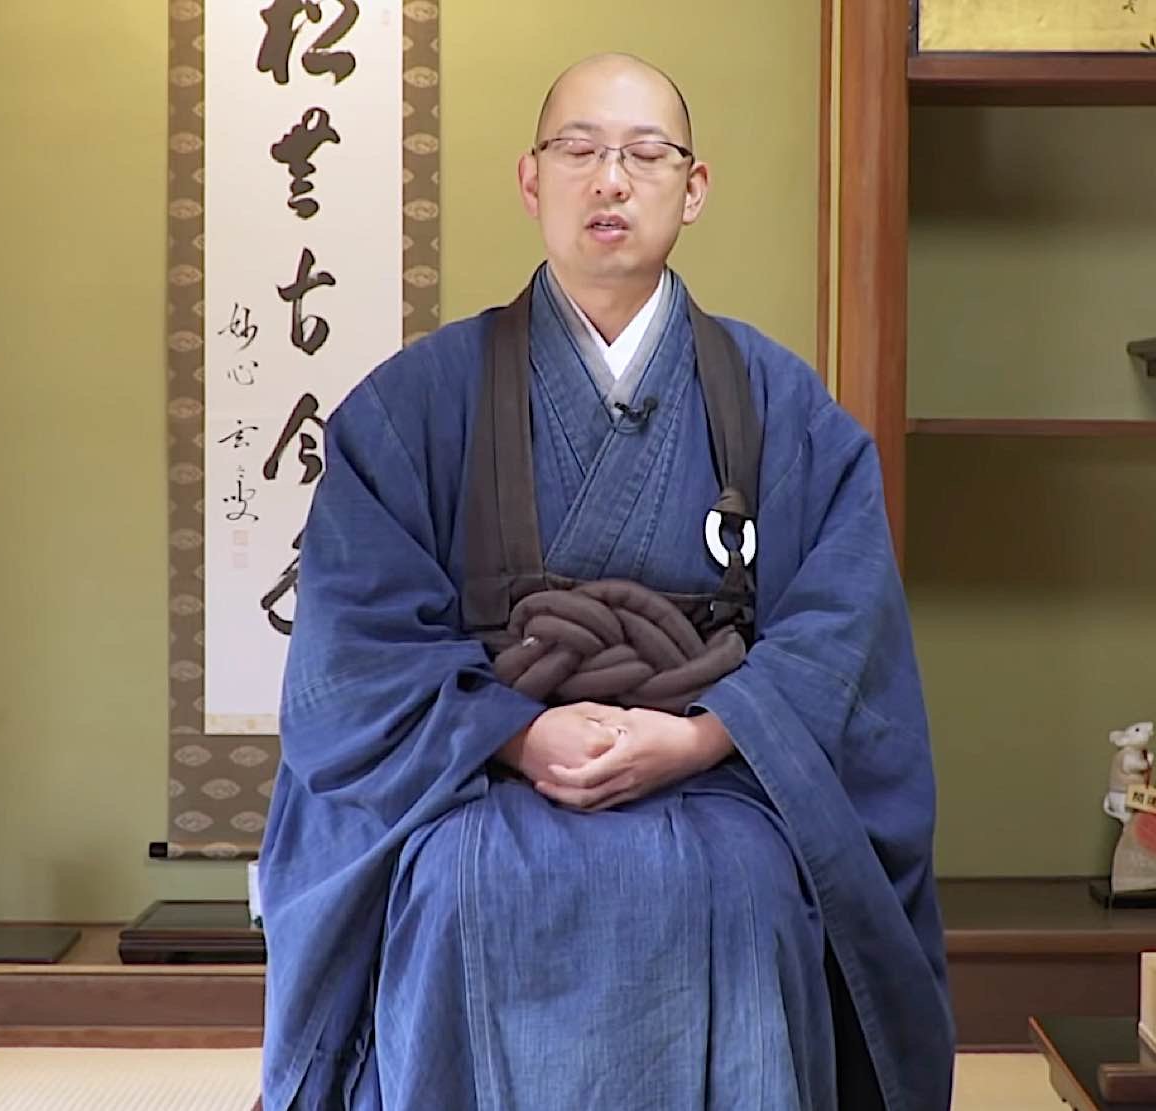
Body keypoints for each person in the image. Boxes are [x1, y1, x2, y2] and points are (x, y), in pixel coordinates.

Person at [257, 52, 954, 1111]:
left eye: (643, 153)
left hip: (720, 775)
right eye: (578, 151)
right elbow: (353, 652)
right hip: (482, 778)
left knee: (759, 885)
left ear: (695, 184)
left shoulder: (780, 402)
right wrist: (515, 731)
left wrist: (707, 731)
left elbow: (841, 618)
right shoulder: (414, 404)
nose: (610, 180)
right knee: (447, 886)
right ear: (532, 181)